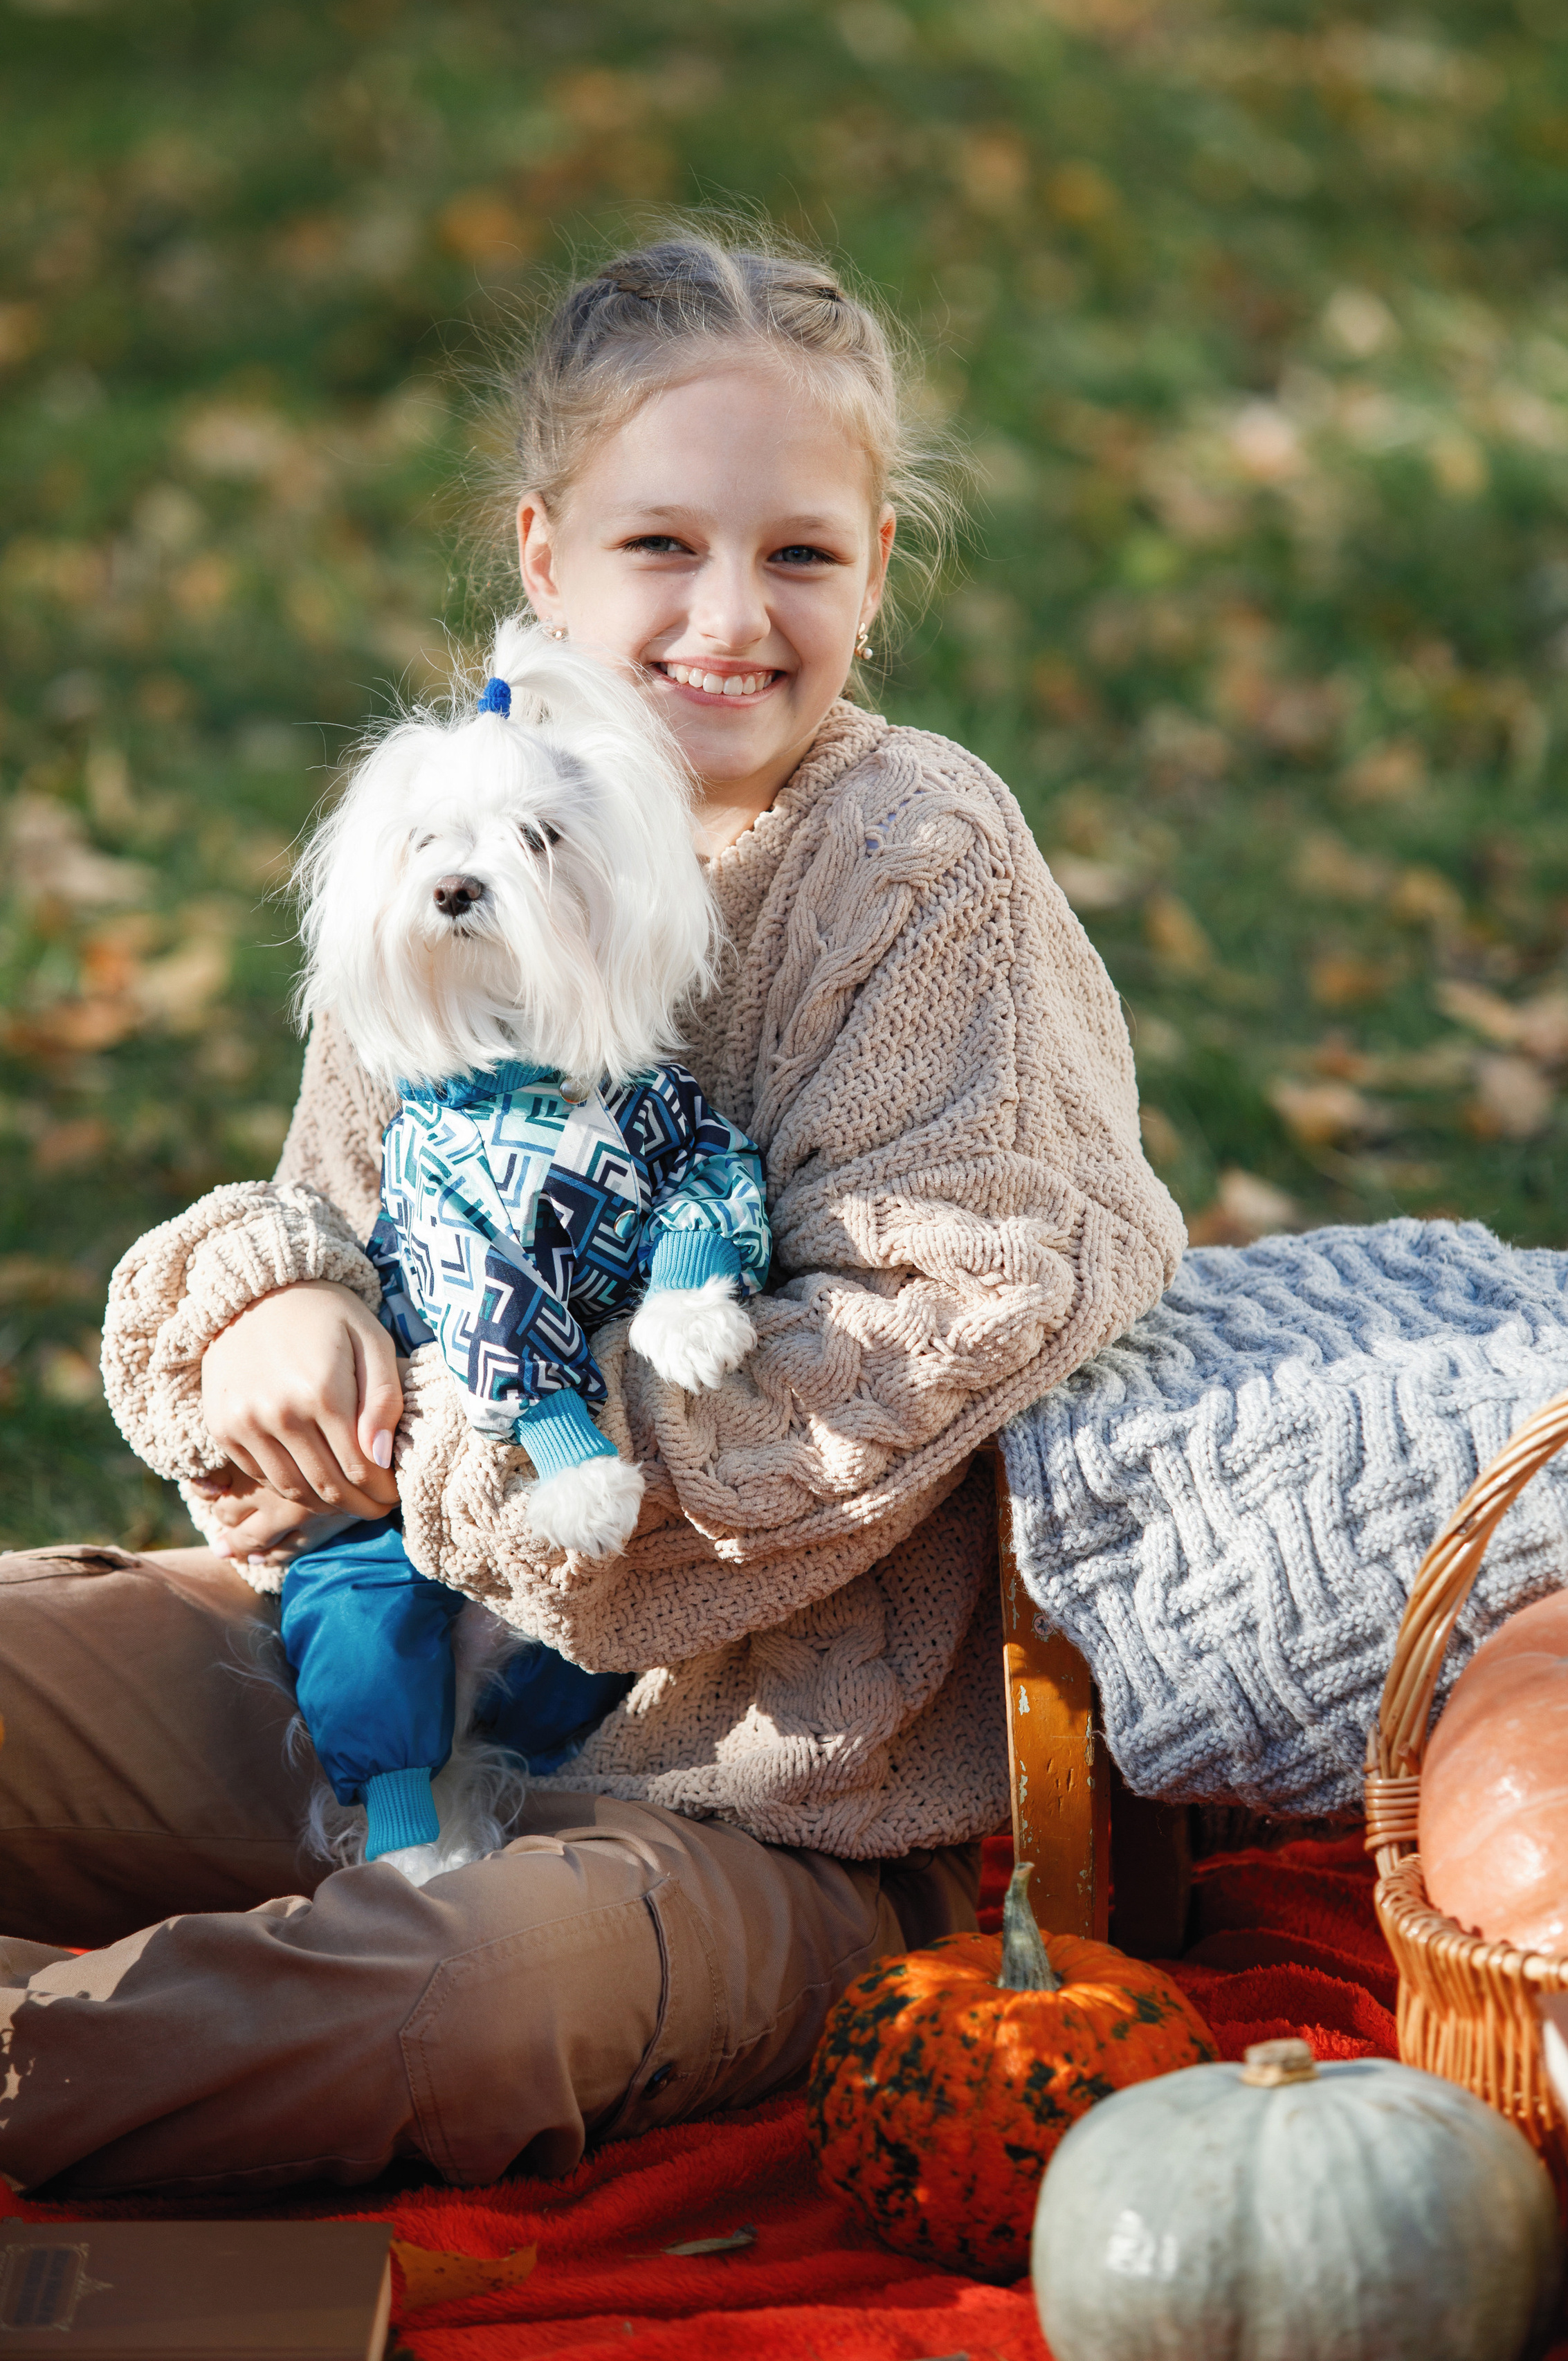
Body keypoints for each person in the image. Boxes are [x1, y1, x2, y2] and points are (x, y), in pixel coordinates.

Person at [0, 229, 1186, 2200]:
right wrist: (277, 1320)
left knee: (448, 2007)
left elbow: (905, 1354)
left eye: (799, 553)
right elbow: (344, 1211)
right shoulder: (464, 814)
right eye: (664, 548)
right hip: (359, 1673)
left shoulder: (911, 864)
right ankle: (180, 1988)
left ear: (878, 569)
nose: (732, 614)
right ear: (547, 558)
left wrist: (474, 1459)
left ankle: (81, 2051)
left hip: (743, 1802)